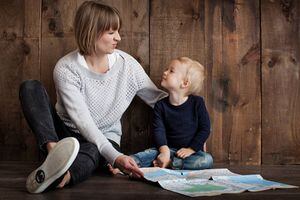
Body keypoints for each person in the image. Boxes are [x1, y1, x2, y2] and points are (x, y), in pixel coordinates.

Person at [19, 1, 167, 193]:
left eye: (117, 31)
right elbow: (84, 123)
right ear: (92, 31)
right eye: (111, 32)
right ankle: (54, 154)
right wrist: (116, 158)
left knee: (93, 150)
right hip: (64, 134)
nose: (118, 38)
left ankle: (61, 177)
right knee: (30, 87)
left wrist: (194, 120)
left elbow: (159, 100)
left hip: (105, 138)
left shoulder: (127, 65)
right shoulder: (66, 68)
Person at [131, 57, 213, 170]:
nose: (165, 72)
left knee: (206, 160)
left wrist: (191, 149)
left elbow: (205, 129)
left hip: (190, 153)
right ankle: (126, 164)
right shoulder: (160, 106)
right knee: (147, 154)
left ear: (185, 83)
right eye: (167, 69)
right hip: (166, 149)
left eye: (171, 71)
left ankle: (170, 164)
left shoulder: (197, 103)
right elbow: (158, 130)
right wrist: (164, 152)